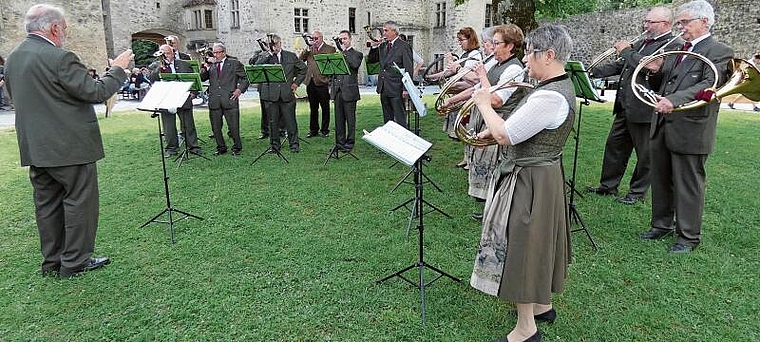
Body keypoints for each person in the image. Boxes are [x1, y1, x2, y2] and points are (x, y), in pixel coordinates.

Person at [4, 4, 133, 278]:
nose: (65, 33)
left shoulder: (13, 57)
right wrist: (118, 70)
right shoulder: (59, 57)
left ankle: (52, 261)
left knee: (47, 205)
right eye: (64, 28)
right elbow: (96, 91)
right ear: (53, 28)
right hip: (70, 147)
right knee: (79, 202)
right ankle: (75, 261)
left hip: (35, 147)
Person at [469, 24, 575, 342]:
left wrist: (484, 104)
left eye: (530, 52)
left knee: (523, 246)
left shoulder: (549, 97)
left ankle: (526, 329)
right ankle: (543, 305)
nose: (526, 59)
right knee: (540, 242)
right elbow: (517, 129)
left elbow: (506, 134)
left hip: (529, 179)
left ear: (550, 55)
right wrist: (494, 131)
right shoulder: (555, 88)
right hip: (542, 174)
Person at [638, 0, 734, 253]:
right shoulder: (680, 49)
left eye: (684, 22)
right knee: (660, 177)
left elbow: (709, 84)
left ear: (704, 21)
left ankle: (688, 237)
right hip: (663, 123)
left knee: (688, 184)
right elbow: (665, 81)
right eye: (678, 23)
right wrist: (653, 70)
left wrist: (674, 100)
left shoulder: (720, 51)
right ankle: (661, 225)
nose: (680, 28)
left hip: (691, 127)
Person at [587, 6, 682, 205]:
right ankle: (608, 186)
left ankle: (636, 193)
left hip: (645, 107)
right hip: (625, 105)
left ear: (665, 24)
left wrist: (627, 51)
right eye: (645, 21)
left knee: (645, 154)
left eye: (650, 22)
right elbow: (622, 65)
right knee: (615, 147)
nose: (645, 25)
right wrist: (592, 72)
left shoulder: (672, 44)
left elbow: (652, 66)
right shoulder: (641, 43)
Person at [254, 34, 307, 153]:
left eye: (275, 44)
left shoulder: (290, 56)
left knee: (290, 121)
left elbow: (303, 69)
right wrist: (268, 53)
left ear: (279, 43)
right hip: (271, 95)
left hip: (286, 94)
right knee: (272, 122)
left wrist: (296, 83)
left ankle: (294, 145)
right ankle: (274, 146)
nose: (274, 47)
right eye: (271, 45)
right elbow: (256, 67)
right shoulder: (265, 56)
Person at [149, 44, 201, 157]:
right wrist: (160, 67)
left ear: (173, 54)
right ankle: (171, 148)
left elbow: (193, 79)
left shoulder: (183, 64)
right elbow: (152, 79)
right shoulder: (155, 65)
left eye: (167, 53)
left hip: (183, 98)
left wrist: (194, 93)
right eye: (162, 53)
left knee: (188, 124)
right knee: (169, 126)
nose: (165, 56)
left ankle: (193, 147)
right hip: (166, 99)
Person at [200, 43, 249, 156]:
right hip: (214, 100)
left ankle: (237, 146)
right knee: (216, 127)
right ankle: (221, 147)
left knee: (233, 126)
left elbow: (246, 77)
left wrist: (239, 90)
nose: (215, 55)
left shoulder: (233, 63)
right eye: (214, 52)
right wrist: (205, 66)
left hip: (229, 98)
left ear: (224, 52)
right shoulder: (211, 65)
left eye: (217, 52)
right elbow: (202, 78)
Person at [367, 21, 414, 128]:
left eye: (386, 30)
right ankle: (390, 142)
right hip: (384, 87)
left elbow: (408, 69)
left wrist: (406, 89)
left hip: (396, 88)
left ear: (394, 31)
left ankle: (403, 141)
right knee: (387, 119)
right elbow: (372, 60)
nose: (384, 33)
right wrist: (374, 47)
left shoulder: (404, 46)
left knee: (400, 118)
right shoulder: (383, 46)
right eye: (384, 30)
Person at [331, 30, 363, 152]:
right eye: (341, 39)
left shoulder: (357, 54)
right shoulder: (337, 55)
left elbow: (354, 65)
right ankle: (339, 142)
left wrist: (344, 52)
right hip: (338, 90)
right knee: (339, 119)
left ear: (350, 39)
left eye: (344, 39)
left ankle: (350, 143)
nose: (342, 41)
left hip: (349, 91)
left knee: (350, 119)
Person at [300, 30, 336, 137]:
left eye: (316, 38)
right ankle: (313, 130)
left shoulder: (330, 49)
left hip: (322, 82)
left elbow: (331, 66)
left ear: (321, 38)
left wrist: (328, 81)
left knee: (325, 108)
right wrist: (307, 48)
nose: (314, 40)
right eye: (313, 38)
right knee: (313, 108)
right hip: (310, 82)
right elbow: (301, 59)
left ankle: (325, 130)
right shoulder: (310, 49)